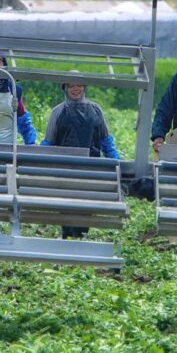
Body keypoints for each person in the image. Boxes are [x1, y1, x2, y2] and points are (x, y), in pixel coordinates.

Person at [41, 75, 120, 239]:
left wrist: (114, 159)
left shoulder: (96, 110)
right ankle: (67, 236)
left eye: (79, 85)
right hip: (65, 169)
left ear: (84, 87)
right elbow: (49, 141)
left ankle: (81, 236)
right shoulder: (58, 112)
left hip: (90, 167)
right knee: (66, 205)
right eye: (71, 86)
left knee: (86, 204)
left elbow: (105, 139)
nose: (75, 89)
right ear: (65, 89)